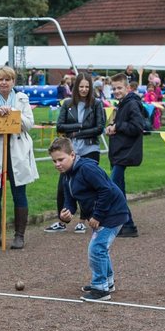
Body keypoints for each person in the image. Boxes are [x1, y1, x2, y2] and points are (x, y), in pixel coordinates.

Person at [49, 137, 130, 302]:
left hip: (113, 212)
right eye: (54, 161)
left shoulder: (87, 169)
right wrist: (67, 212)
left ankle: (100, 289)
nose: (57, 164)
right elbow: (70, 198)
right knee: (101, 248)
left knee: (96, 248)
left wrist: (97, 215)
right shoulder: (67, 175)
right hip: (103, 214)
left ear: (72, 155)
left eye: (61, 159)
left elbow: (106, 190)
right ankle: (107, 282)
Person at [0, 66, 38, 249]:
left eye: (7, 79)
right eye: (0, 79)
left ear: (13, 81)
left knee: (19, 193)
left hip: (16, 152)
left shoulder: (22, 99)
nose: (3, 83)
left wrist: (12, 112)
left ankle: (19, 236)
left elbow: (29, 124)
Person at [47, 72, 105, 234]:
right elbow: (60, 126)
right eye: (81, 86)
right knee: (63, 187)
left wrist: (77, 132)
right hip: (70, 150)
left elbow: (99, 128)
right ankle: (62, 219)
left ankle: (83, 220)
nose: (84, 90)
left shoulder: (96, 104)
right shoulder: (67, 104)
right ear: (76, 87)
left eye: (87, 87)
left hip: (90, 149)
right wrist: (80, 125)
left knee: (87, 186)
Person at [105, 73, 146, 238]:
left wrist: (118, 127)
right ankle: (126, 224)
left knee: (114, 189)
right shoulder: (122, 104)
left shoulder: (132, 104)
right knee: (118, 189)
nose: (116, 91)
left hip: (125, 153)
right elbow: (122, 125)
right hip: (118, 152)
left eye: (119, 88)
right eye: (114, 88)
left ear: (127, 88)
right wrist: (112, 127)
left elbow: (137, 127)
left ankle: (127, 223)